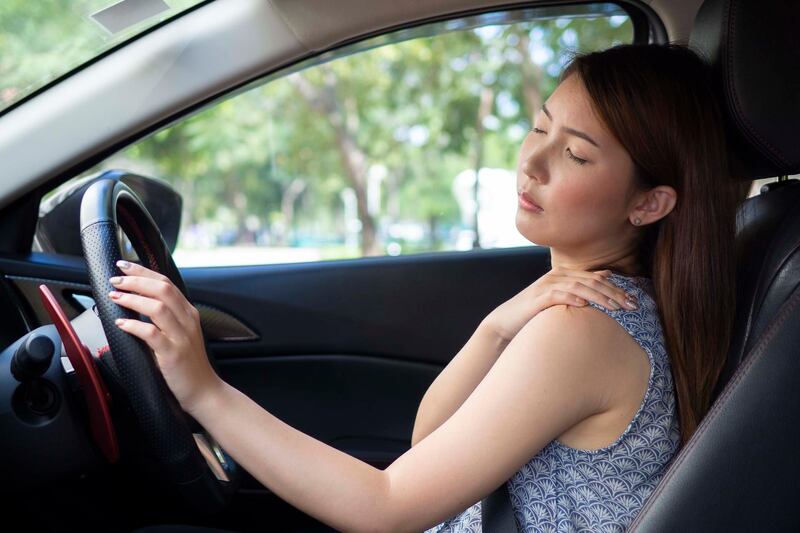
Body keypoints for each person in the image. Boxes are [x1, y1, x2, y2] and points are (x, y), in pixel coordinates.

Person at [109, 43, 748, 532]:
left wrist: (204, 390)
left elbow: (387, 508)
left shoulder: (585, 328)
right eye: (539, 126)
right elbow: (429, 443)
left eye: (576, 155)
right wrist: (498, 326)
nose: (532, 161)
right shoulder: (586, 304)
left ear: (649, 203)